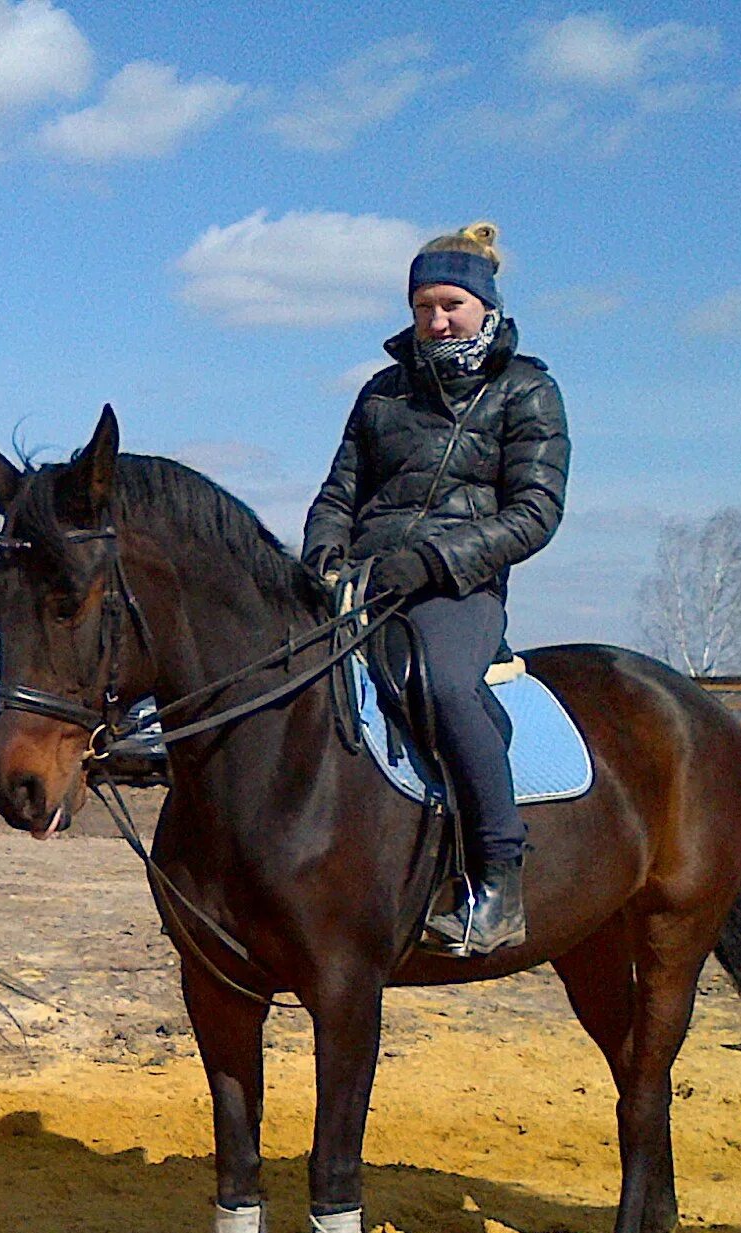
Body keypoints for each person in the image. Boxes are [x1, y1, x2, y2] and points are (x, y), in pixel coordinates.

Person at [302, 222, 569, 956]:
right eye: (423, 306)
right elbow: (339, 493)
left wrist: (433, 562)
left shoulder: (528, 391)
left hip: (458, 589)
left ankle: (497, 877)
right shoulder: (382, 392)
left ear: (485, 306)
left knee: (448, 688)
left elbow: (536, 512)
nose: (435, 320)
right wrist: (325, 553)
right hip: (363, 581)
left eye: (450, 303)